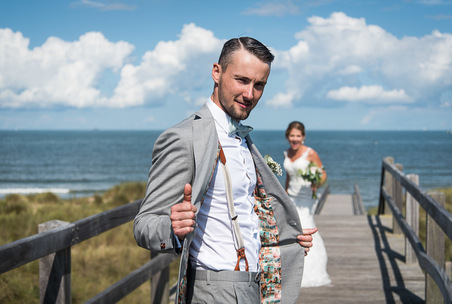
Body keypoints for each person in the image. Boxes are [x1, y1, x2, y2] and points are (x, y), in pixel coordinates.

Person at [133, 38, 317, 304]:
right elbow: (144, 224)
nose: (250, 94)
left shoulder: (242, 138)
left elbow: (246, 212)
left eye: (259, 85)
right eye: (241, 80)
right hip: (214, 288)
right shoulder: (184, 137)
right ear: (216, 72)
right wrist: (173, 229)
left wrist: (289, 242)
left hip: (253, 285)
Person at [283, 121, 331, 287]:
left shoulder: (310, 153)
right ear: (288, 136)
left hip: (305, 199)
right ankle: (292, 268)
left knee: (305, 227)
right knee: (292, 231)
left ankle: (311, 270)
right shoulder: (287, 153)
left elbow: (323, 174)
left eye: (298, 135)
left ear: (303, 137)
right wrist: (284, 195)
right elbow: (289, 177)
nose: (294, 139)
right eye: (292, 135)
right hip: (291, 197)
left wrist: (316, 183)